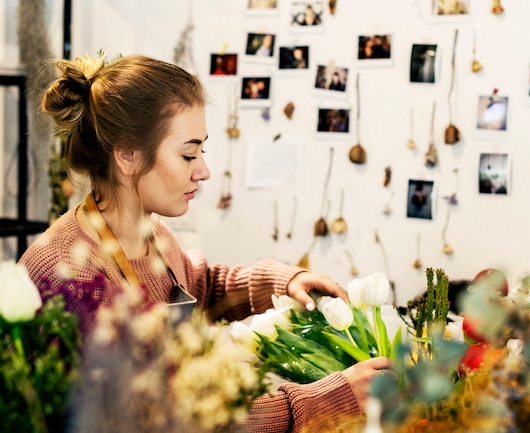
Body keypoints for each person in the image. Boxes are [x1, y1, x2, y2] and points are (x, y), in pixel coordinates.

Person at [18, 54, 391, 432]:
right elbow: (168, 416)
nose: (203, 171)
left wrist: (279, 283)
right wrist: (324, 400)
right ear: (128, 155)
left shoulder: (153, 235)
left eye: (202, 151)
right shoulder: (71, 274)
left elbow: (199, 285)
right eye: (187, 154)